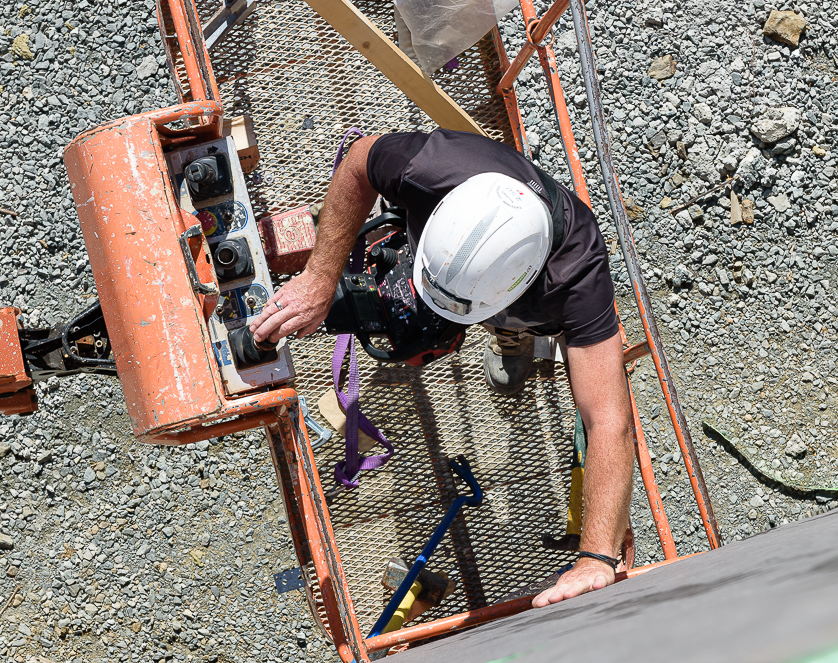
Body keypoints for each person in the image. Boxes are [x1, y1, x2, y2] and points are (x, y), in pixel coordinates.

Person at [249, 128, 633, 606]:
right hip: (458, 270)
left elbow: (608, 421)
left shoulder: (577, 278)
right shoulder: (432, 168)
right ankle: (492, 321)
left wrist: (596, 557)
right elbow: (359, 160)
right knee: (413, 329)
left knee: (498, 326)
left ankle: (512, 334)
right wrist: (320, 277)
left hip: (526, 302)